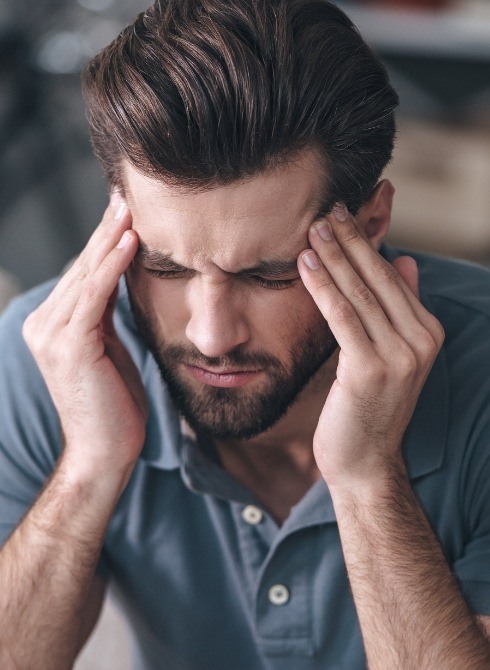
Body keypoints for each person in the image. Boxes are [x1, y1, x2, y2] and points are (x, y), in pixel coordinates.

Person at [1, 1, 490, 668]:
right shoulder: (52, 359)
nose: (210, 336)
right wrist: (87, 469)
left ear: (371, 226)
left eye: (268, 275)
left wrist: (368, 477)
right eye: (163, 266)